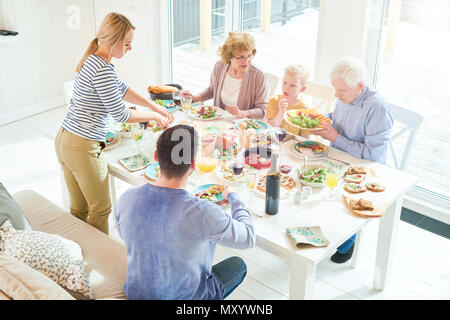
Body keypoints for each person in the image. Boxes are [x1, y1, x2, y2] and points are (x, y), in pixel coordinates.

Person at [55, 12, 172, 235]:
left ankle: (77, 257)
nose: (130, 48)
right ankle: (99, 262)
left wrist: (155, 107)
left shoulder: (95, 60)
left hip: (65, 139)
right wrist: (154, 116)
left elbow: (122, 89)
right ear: (114, 41)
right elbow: (121, 114)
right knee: (100, 209)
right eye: (127, 44)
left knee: (79, 210)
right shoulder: (101, 69)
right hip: (82, 145)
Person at [114, 125, 255, 300]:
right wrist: (234, 198)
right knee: (238, 265)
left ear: (156, 157)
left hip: (137, 294)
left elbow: (125, 236)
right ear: (193, 164)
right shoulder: (204, 212)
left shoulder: (126, 198)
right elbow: (249, 237)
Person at [315, 57, 394, 263]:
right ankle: (321, 230)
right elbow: (338, 116)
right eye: (335, 90)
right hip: (337, 159)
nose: (336, 95)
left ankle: (347, 239)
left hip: (364, 170)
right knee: (304, 174)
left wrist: (335, 138)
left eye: (341, 92)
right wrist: (323, 119)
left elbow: (373, 156)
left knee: (331, 193)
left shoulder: (377, 107)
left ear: (360, 86)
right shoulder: (345, 96)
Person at [185, 31, 269, 119]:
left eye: (249, 56)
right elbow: (212, 89)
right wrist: (196, 97)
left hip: (242, 127)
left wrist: (242, 113)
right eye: (240, 57)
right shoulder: (220, 66)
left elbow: (263, 110)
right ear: (229, 56)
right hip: (218, 121)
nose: (246, 61)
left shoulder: (258, 75)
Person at [265, 64, 310, 136]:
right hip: (274, 141)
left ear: (302, 89)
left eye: (292, 85)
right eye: (285, 83)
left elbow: (305, 136)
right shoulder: (274, 100)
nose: (286, 88)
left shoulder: (304, 109)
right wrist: (281, 112)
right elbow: (271, 127)